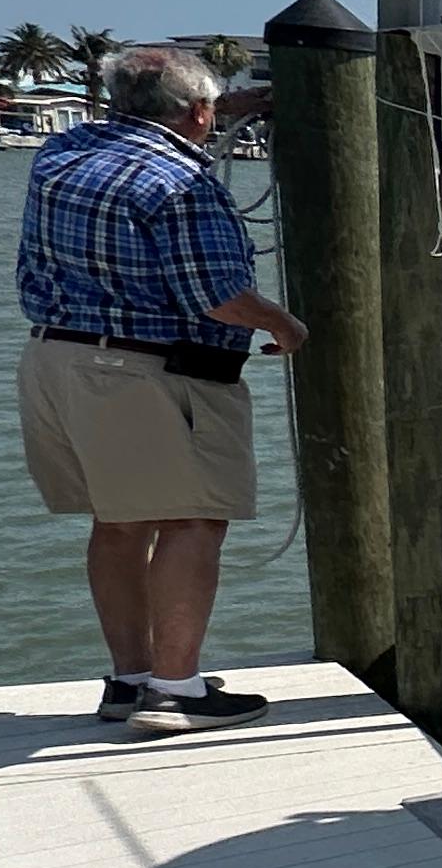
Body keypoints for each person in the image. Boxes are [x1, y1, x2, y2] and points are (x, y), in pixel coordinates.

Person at [16, 45, 306, 732]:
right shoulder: (184, 182)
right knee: (192, 517)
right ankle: (177, 690)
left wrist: (216, 108)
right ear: (199, 112)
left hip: (57, 360)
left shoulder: (62, 154)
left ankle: (132, 679)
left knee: (118, 523)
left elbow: (132, 131)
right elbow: (218, 297)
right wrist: (286, 324)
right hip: (149, 370)